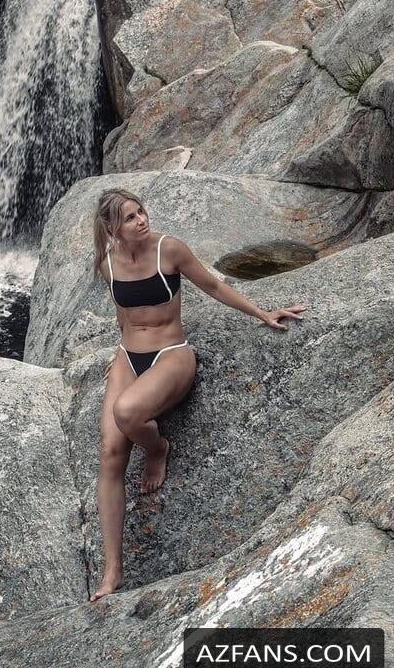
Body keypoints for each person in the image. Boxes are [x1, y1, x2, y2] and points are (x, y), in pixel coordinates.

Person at [88, 188, 305, 602]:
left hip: (172, 355)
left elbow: (215, 287)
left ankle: (157, 448)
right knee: (110, 451)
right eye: (130, 218)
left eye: (141, 211)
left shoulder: (168, 249)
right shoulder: (107, 262)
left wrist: (262, 313)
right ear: (113, 228)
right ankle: (112, 571)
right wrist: (119, 357)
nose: (141, 220)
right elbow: (125, 313)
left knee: (127, 411)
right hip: (128, 357)